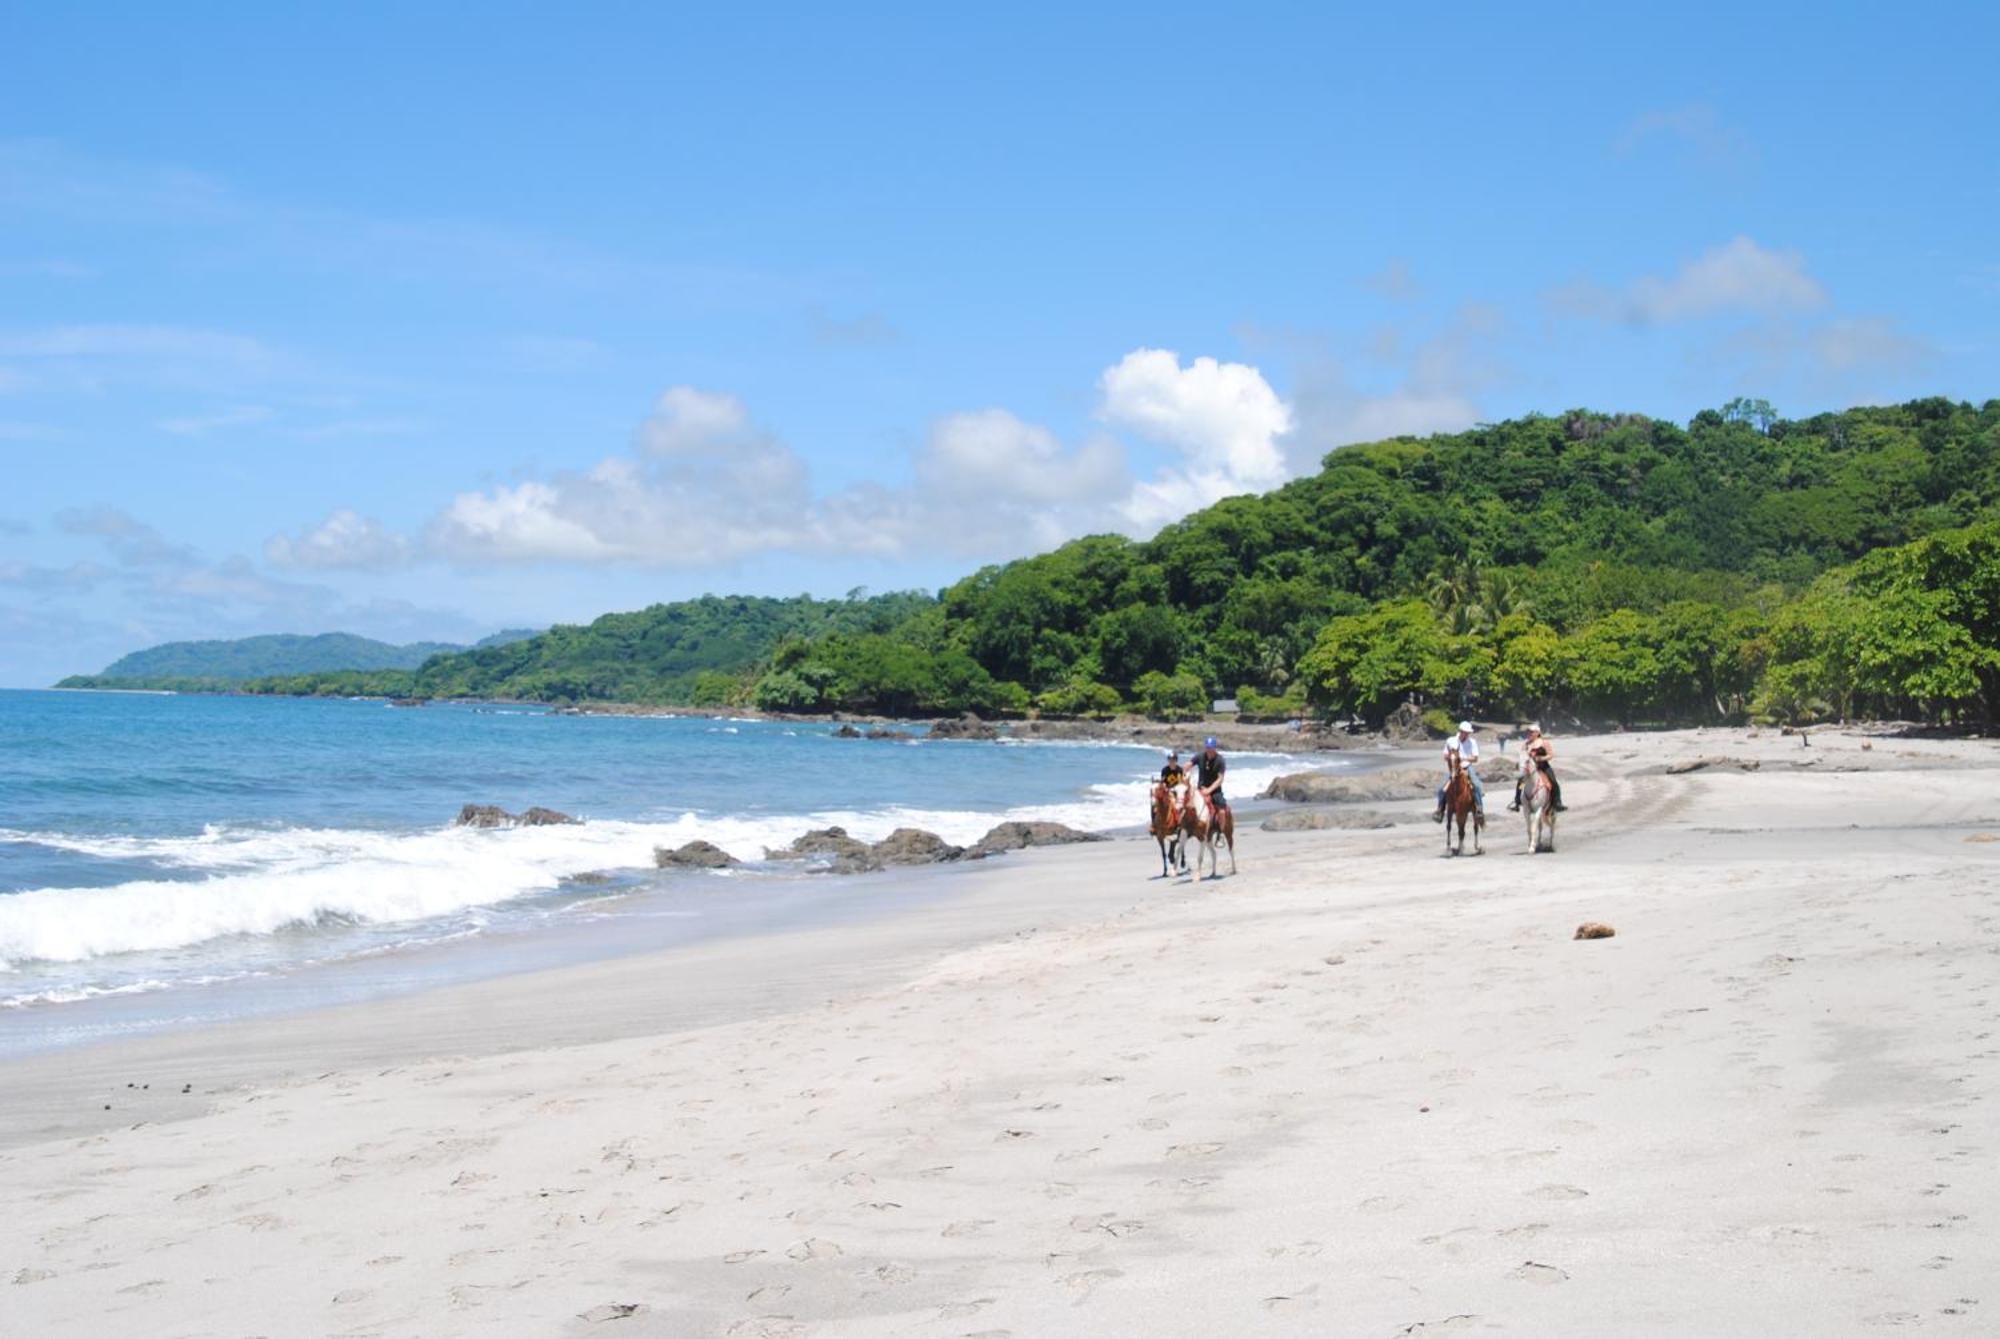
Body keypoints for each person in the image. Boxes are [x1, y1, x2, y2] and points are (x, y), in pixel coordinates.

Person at [1432, 720, 1484, 822]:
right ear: (1461, 731)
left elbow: (1475, 758)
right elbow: (1445, 755)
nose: (1468, 734)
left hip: (1467, 767)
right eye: (1466, 732)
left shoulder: (1472, 742)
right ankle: (1440, 810)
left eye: (1469, 733)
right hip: (1454, 768)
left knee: (1477, 785)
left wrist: (1463, 759)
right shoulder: (1451, 740)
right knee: (1441, 788)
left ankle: (1479, 810)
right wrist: (1451, 757)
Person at [1508, 723, 1566, 811]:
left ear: (1537, 733)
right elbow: (1522, 755)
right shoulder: (1526, 744)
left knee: (1553, 782)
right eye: (1529, 732)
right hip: (1529, 768)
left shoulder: (1544, 743)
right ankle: (1517, 802)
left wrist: (1541, 758)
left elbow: (1550, 755)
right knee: (1521, 783)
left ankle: (1557, 802)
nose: (1529, 734)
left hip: (1543, 767)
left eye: (1532, 732)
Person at [1194, 737, 1228, 817]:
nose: (1209, 750)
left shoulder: (1220, 760)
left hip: (1215, 791)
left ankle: (1221, 829)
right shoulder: (1200, 756)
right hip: (1200, 789)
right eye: (1207, 747)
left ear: (1215, 748)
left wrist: (1209, 790)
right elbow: (1188, 765)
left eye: (1211, 747)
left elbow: (1220, 779)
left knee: (1222, 811)